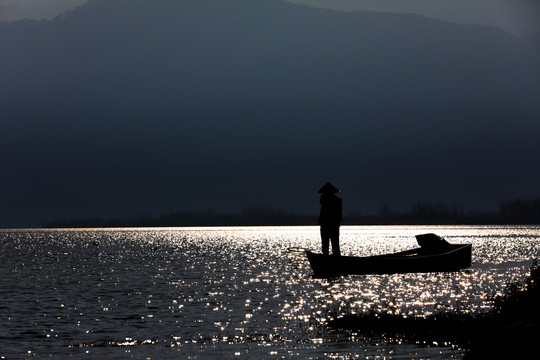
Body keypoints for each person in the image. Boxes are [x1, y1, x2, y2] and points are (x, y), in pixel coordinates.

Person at [318, 182, 342, 256]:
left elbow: (338, 215)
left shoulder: (326, 200)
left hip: (331, 226)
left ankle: (332, 259)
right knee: (332, 246)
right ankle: (333, 258)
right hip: (330, 226)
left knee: (331, 246)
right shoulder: (337, 200)